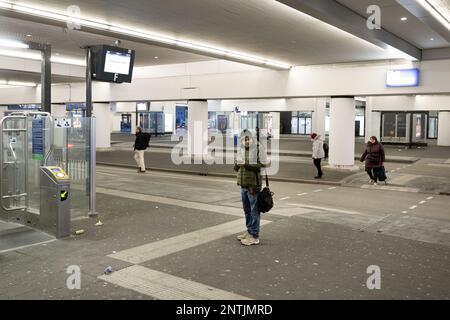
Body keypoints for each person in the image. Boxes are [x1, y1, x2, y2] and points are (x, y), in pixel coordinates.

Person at [234, 130, 266, 246]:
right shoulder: (241, 149)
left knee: (254, 211)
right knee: (247, 211)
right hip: (243, 184)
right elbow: (236, 168)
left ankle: (255, 236)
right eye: (244, 139)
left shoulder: (258, 148)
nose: (246, 141)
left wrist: (245, 165)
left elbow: (262, 165)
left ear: (252, 138)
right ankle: (249, 231)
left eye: (248, 139)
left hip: (253, 185)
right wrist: (237, 163)